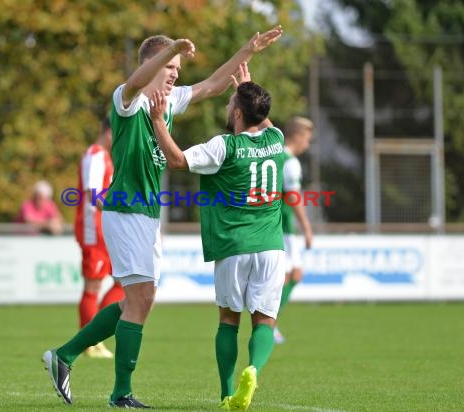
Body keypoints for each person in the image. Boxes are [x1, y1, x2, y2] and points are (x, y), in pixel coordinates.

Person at [42, 27, 283, 409]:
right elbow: (136, 80)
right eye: (169, 66)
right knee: (140, 298)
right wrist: (169, 48)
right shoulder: (128, 101)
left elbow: (216, 84)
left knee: (135, 302)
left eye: (177, 67)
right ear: (151, 64)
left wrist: (248, 49)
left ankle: (65, 356)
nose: (174, 73)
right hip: (126, 211)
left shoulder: (170, 101)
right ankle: (120, 393)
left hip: (147, 214)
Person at [149, 74, 285, 411]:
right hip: (271, 246)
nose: (227, 106)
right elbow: (262, 117)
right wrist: (248, 89)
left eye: (231, 103)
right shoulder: (277, 138)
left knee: (228, 320)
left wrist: (157, 121)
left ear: (238, 113)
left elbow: (177, 160)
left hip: (234, 245)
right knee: (265, 320)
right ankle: (253, 369)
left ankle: (227, 395)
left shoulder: (224, 146)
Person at [74, 117, 125, 359]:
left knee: (123, 281)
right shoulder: (94, 155)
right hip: (93, 229)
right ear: (108, 132)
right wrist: (117, 214)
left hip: (105, 229)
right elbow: (93, 194)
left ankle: (95, 336)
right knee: (92, 286)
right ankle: (88, 343)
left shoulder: (104, 157)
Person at [273, 116, 314, 344]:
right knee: (291, 275)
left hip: (274, 224)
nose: (307, 144)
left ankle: (269, 321)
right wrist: (307, 229)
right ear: (297, 136)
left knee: (291, 275)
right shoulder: (290, 161)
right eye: (307, 138)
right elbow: (294, 197)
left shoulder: (273, 154)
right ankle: (269, 323)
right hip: (284, 227)